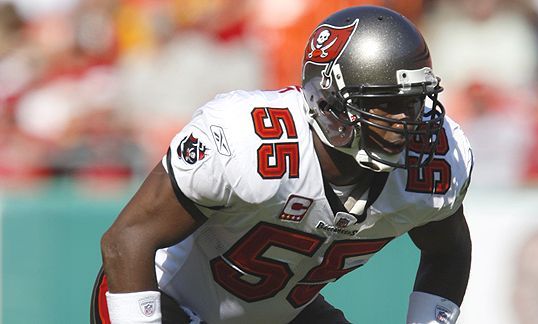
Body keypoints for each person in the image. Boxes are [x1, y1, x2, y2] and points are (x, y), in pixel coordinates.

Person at [90, 5, 474, 324]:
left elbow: (449, 250)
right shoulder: (248, 141)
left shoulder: (435, 162)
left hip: (277, 313)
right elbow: (127, 240)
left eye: (413, 102)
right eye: (385, 104)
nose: (405, 122)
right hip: (165, 297)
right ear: (330, 104)